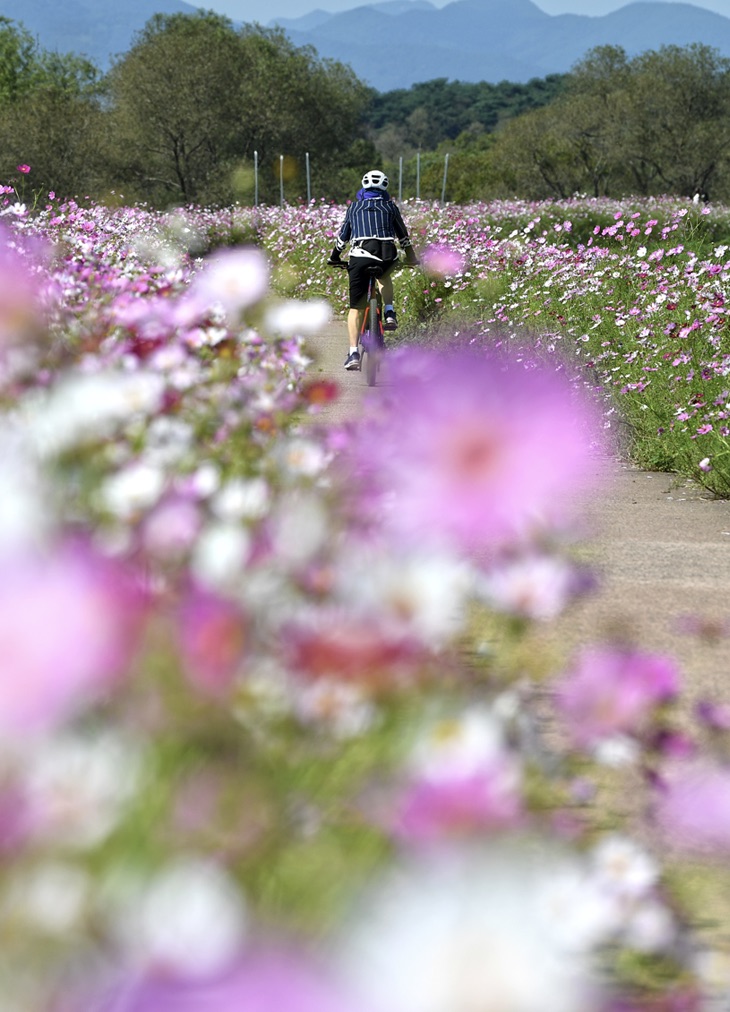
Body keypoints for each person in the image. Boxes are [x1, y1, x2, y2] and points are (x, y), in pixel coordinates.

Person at [327, 169, 419, 371]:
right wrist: (411, 257)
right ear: (384, 188)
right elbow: (403, 236)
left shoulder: (354, 207)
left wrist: (334, 257)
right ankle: (389, 311)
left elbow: (343, 237)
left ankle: (353, 353)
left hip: (360, 257)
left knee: (355, 308)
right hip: (386, 255)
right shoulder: (390, 207)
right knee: (384, 276)